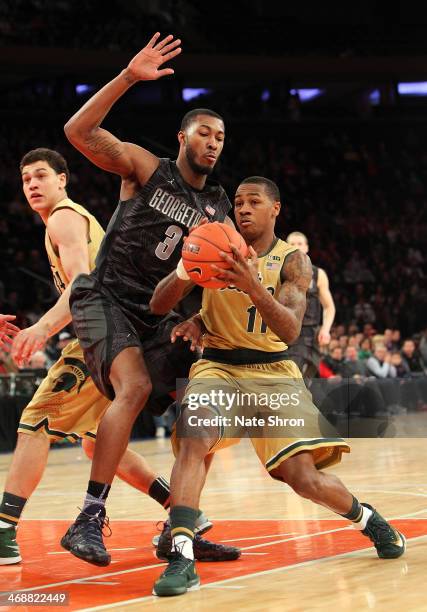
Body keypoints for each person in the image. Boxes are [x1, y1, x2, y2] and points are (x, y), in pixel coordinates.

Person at [149, 176, 405, 597]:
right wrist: (185, 279)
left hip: (273, 373)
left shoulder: (293, 261)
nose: (243, 208)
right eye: (238, 202)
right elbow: (159, 303)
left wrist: (250, 284)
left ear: (275, 210)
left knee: (304, 480)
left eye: (254, 201)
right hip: (219, 367)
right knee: (195, 437)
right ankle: (181, 554)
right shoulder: (215, 243)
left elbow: (288, 330)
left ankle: (367, 518)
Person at [0, 149, 236, 566]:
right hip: (127, 327)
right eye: (25, 179)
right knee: (99, 445)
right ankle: (185, 515)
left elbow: (80, 286)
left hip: (104, 330)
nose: (32, 184)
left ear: (63, 180)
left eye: (41, 176)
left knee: (34, 424)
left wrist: (41, 328)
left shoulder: (63, 217)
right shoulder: (67, 219)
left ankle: (3, 529)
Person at [61, 33, 235, 566]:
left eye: (221, 137)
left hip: (160, 316)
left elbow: (226, 275)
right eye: (204, 133)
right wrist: (128, 78)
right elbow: (78, 131)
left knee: (202, 405)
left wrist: (202, 320)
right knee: (132, 387)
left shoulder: (218, 208)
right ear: (182, 136)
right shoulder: (145, 167)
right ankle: (88, 518)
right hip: (106, 297)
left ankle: (179, 525)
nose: (212, 142)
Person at [285, 231, 336, 382]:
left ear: (306, 248)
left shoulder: (318, 274)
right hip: (285, 332)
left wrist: (326, 330)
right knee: (289, 382)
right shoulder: (280, 272)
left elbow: (329, 307)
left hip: (308, 335)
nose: (296, 247)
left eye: (299, 243)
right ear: (286, 248)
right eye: (292, 244)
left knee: (301, 381)